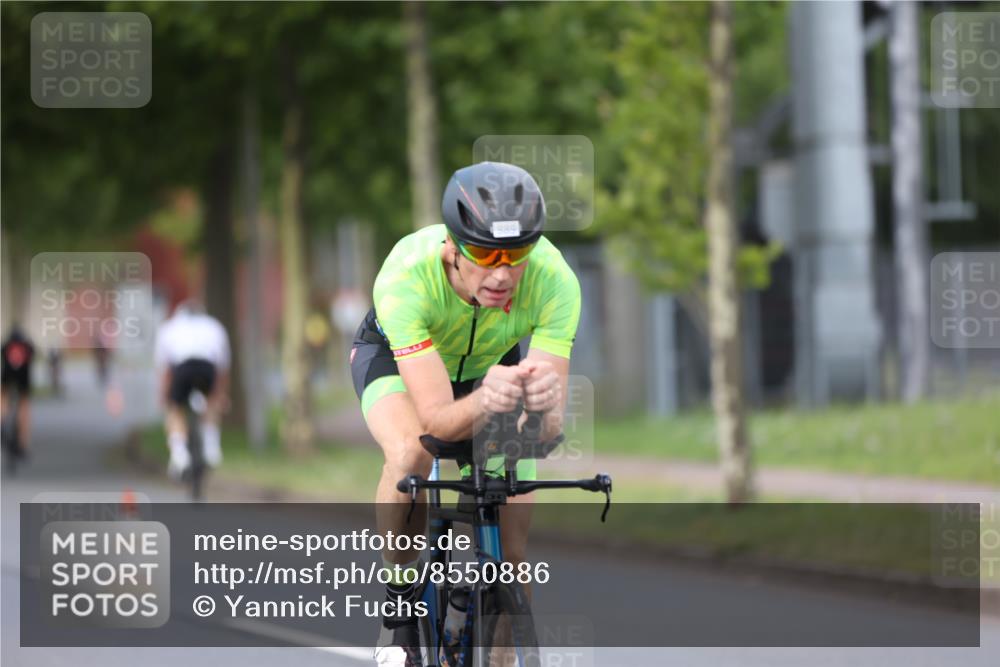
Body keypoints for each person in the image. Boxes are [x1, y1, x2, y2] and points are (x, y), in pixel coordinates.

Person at [350, 162, 581, 666]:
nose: (502, 273)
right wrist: (484, 401)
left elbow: (546, 432)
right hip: (397, 360)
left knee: (512, 556)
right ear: (451, 247)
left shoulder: (554, 280)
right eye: (483, 253)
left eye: (516, 255)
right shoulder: (405, 276)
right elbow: (434, 421)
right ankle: (399, 610)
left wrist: (541, 413)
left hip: (491, 368)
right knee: (411, 453)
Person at [153, 300, 231, 479]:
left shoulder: (169, 328)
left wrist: (164, 396)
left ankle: (180, 455)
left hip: (182, 368)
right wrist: (221, 395)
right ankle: (212, 447)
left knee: (175, 409)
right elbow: (223, 368)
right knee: (211, 401)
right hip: (207, 367)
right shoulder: (214, 326)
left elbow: (164, 369)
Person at [1, 325, 36, 457]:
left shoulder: (6, 346)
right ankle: (23, 443)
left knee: (3, 397)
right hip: (23, 378)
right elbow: (33, 355)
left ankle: (1, 420)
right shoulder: (28, 346)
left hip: (7, 376)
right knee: (24, 406)